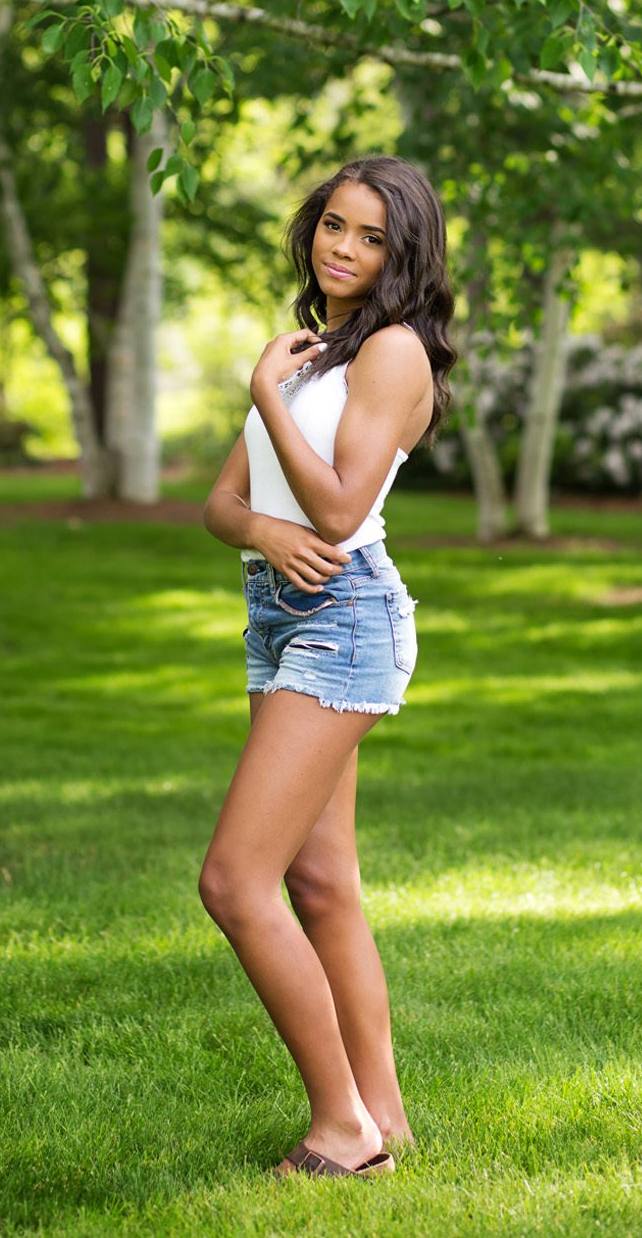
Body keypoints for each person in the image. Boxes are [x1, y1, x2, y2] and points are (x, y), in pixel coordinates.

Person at [197, 156, 459, 1179]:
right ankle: (380, 1111)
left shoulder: (387, 353)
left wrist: (264, 389)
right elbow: (221, 507)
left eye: (367, 238)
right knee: (318, 880)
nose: (339, 248)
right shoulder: (314, 350)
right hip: (277, 614)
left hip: (342, 616)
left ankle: (339, 1132)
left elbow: (342, 510)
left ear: (402, 258)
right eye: (331, 225)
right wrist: (261, 525)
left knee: (232, 880)